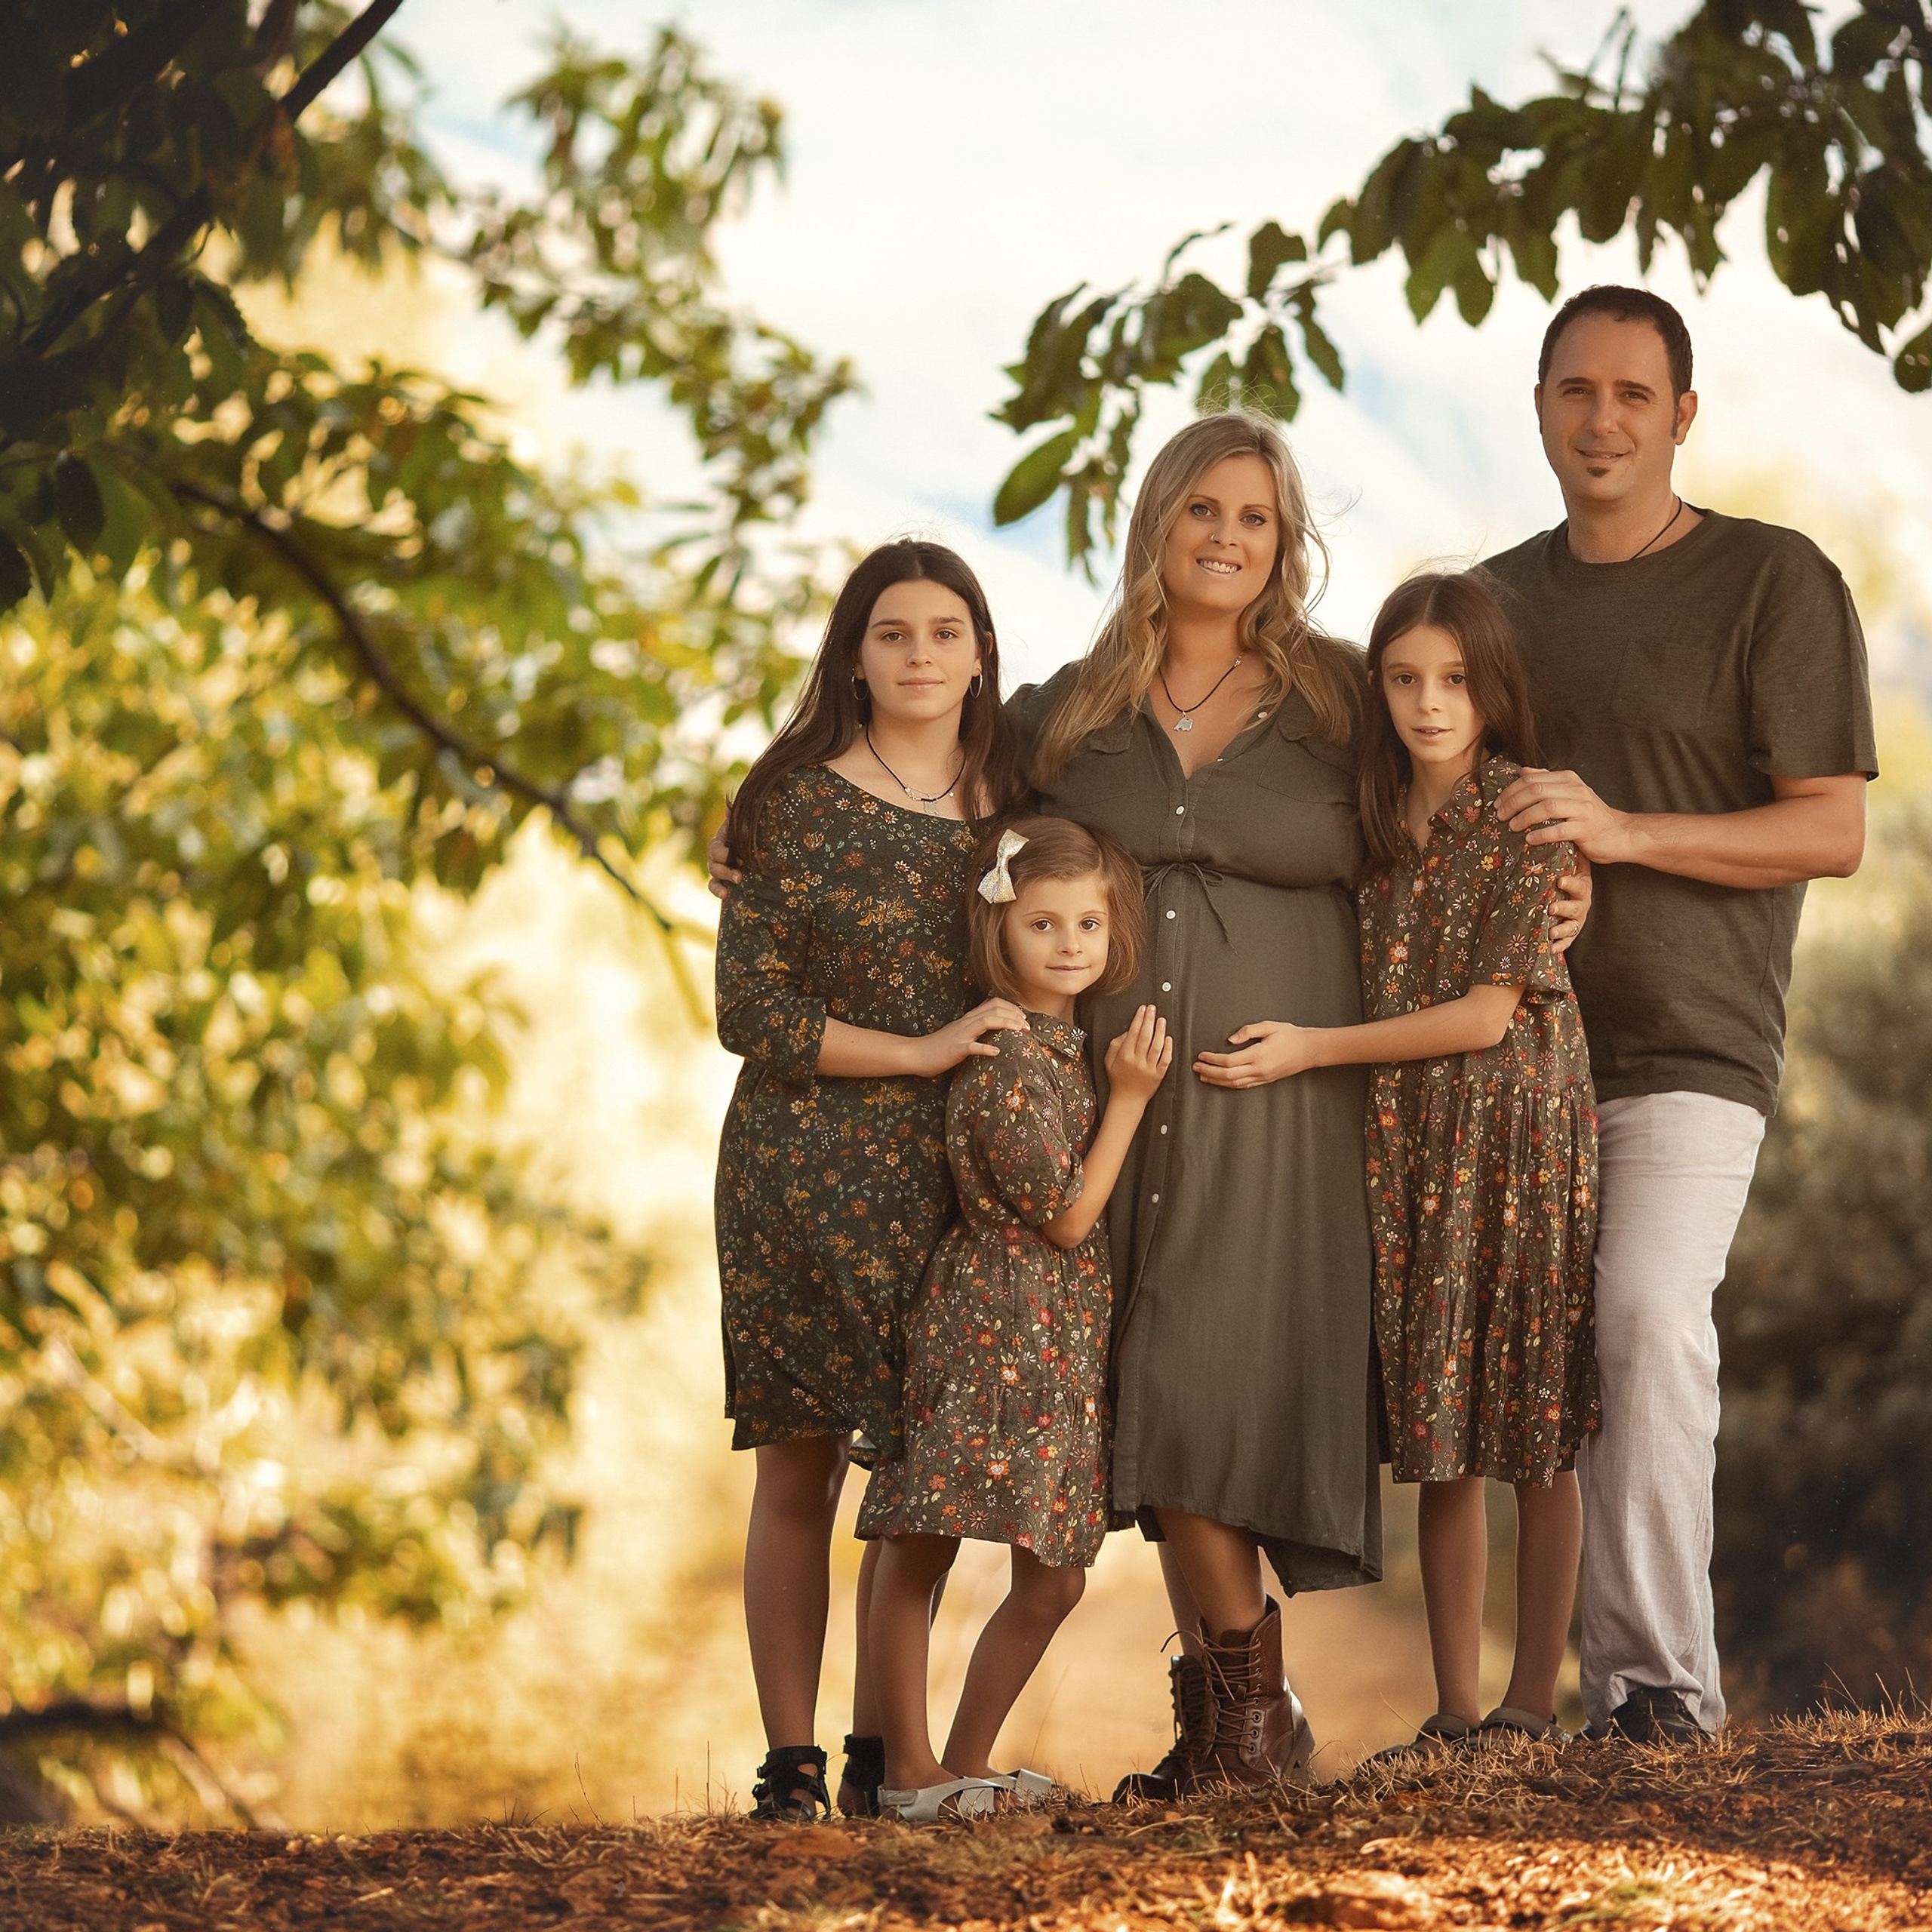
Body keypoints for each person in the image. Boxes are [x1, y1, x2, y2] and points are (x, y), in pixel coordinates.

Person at [1483, 285, 1876, 1742]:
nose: (1602, 421)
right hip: (1510, 1052)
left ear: (1682, 417)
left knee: (1647, 1317)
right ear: (1538, 410)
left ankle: (1659, 1692)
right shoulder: (1494, 603)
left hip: (1692, 1046)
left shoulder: (1775, 582)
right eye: (1574, 392)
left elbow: (1829, 831)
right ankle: (1520, 1703)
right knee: (1526, 1367)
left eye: (1634, 396)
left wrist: (1627, 836)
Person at [1208, 569, 1598, 1750]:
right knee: (1440, 1431)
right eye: (1406, 679)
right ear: (1376, 689)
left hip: (1519, 1134)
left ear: (1495, 688)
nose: (1432, 703)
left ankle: (1532, 1703)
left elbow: (1487, 1017)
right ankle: (1455, 1709)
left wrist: (1313, 1052)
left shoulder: (1527, 817)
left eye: (1458, 680)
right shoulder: (1369, 826)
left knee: (1530, 1420)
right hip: (1413, 1147)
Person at [712, 540, 1030, 1820]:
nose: (918, 656)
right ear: (855, 654)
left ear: (979, 653)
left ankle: (878, 1750)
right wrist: (922, 1051)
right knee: (799, 1466)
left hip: (952, 1182)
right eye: (892, 634)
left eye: (943, 633)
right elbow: (749, 1010)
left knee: (922, 1475)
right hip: (800, 1166)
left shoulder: (1018, 807)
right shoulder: (789, 803)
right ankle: (788, 1763)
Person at [857, 817, 1171, 1820]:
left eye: (1089, 921)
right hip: (990, 1322)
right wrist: (1130, 1100)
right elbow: (1071, 1217)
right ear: (1003, 930)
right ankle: (902, 1770)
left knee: (1053, 1578)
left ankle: (960, 1764)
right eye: (1044, 923)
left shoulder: (1062, 1046)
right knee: (923, 1540)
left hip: (1058, 1341)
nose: (1071, 943)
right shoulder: (998, 1053)